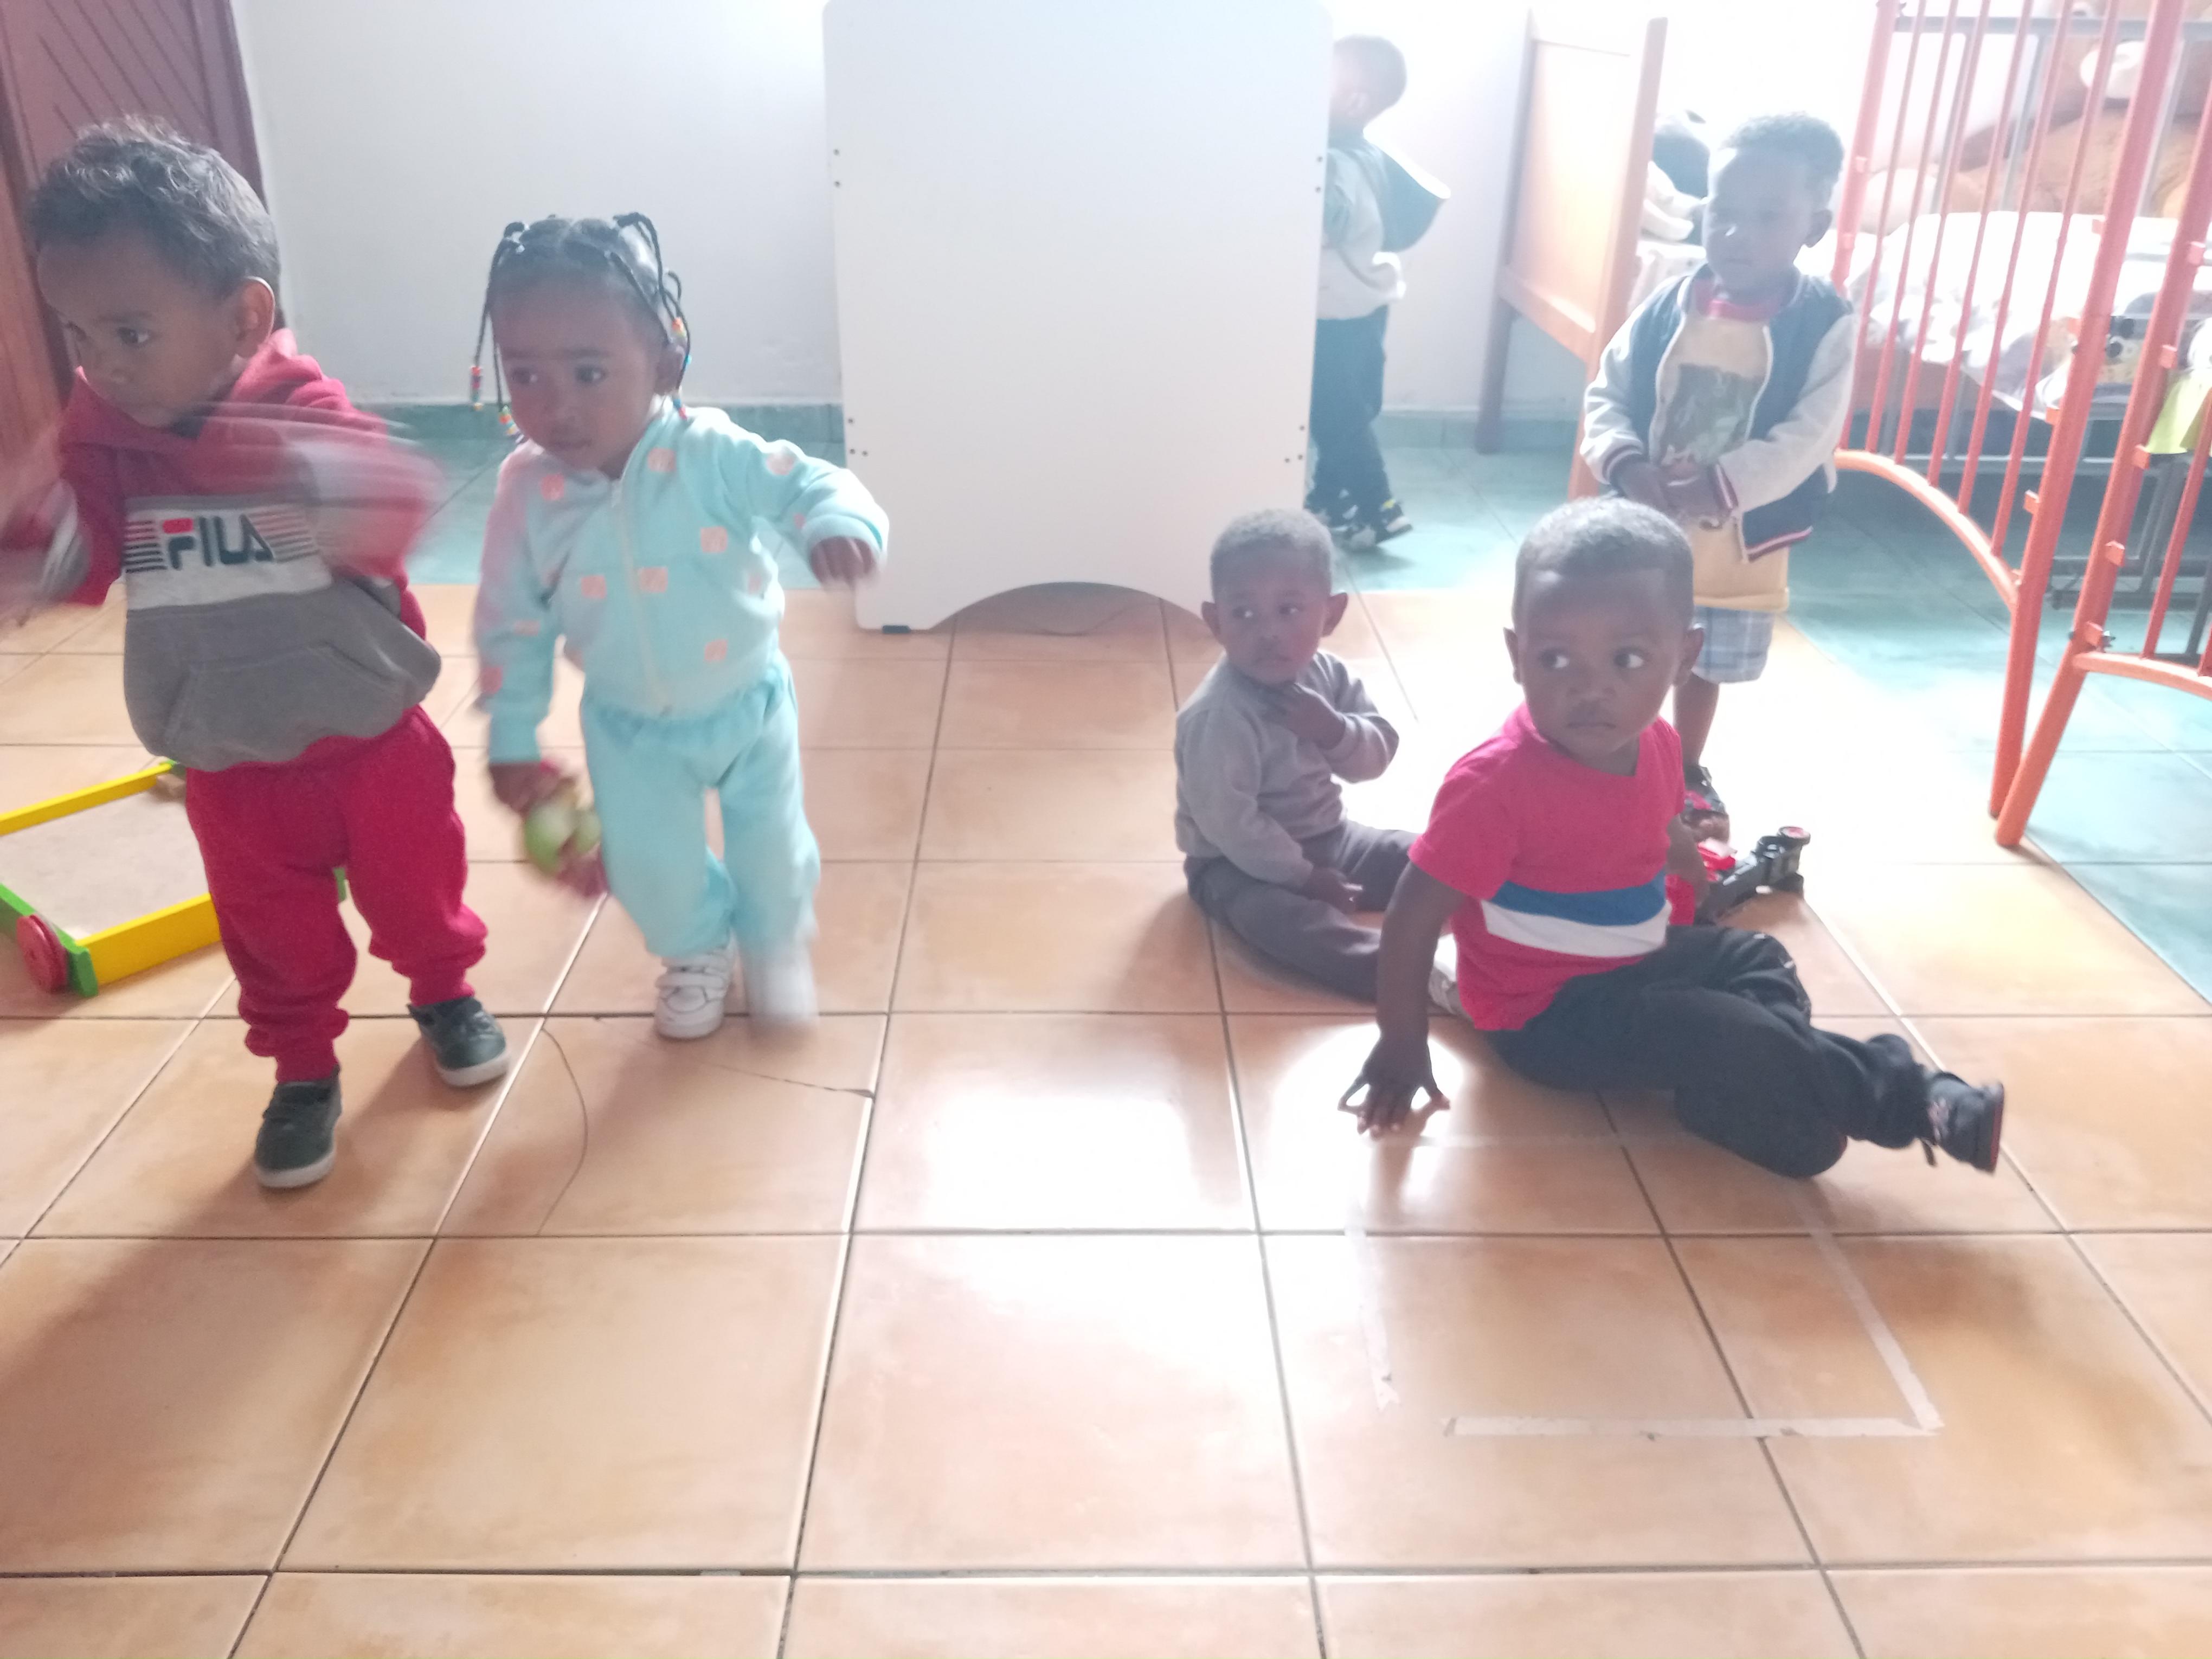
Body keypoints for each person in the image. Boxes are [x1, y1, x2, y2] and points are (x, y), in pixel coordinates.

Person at [0, 120, 505, 1190]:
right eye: (78, 334)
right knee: (272, 933)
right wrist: (31, 548)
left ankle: (444, 991)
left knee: (417, 894)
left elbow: (393, 509)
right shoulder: (104, 442)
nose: (100, 363)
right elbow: (82, 554)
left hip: (371, 737)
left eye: (130, 332)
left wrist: (289, 469)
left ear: (242, 319)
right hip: (227, 757)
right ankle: (303, 1067)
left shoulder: (308, 415)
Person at [1343, 499, 2004, 1181]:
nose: (1590, 688)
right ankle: (1916, 1102)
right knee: (1717, 1027)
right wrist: (1401, 1042)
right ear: (1518, 656)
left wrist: (1700, 886)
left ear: (1685, 656)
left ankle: (1745, 1093)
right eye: (1556, 658)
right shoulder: (1494, 786)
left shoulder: (1658, 742)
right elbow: (1413, 915)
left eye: (1627, 659)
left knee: (1758, 960)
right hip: (1545, 1016)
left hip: (1640, 954)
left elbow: (1664, 828)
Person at [472, 215, 886, 1040]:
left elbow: (811, 483)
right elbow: (510, 622)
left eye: (590, 372)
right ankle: (696, 949)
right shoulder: (527, 493)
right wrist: (512, 735)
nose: (556, 405)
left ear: (665, 363)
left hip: (749, 705)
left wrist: (838, 522)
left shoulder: (711, 453)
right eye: (526, 374)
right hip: (627, 725)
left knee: (771, 847)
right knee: (648, 865)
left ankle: (774, 941)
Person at [1580, 112, 1856, 839]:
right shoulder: (1668, 304)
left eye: (1768, 217)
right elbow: (1608, 394)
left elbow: (1809, 435)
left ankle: (1685, 768)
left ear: (1814, 227)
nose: (1737, 234)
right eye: (1723, 213)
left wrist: (1720, 486)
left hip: (1740, 537)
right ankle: (1613, 757)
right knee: (1631, 642)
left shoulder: (1823, 324)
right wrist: (1626, 464)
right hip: (1647, 525)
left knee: (1701, 662)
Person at [1176, 507, 1441, 1005]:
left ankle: (1519, 910)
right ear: (1216, 622)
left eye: (1289, 610)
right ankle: (1405, 973)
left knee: (1434, 860)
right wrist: (1306, 879)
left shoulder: (1329, 674)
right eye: (1244, 613)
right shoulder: (1219, 715)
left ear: (1331, 615)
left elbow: (1377, 756)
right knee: (1284, 923)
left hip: (1331, 836)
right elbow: (1233, 826)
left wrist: (1334, 730)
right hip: (1234, 867)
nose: (1268, 632)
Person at [1310, 34, 1415, 552]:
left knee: (1337, 418)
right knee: (1347, 410)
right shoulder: (1368, 153)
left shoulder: (1331, 161)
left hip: (1335, 314)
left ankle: (1380, 508)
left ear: (1353, 101)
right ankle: (1329, 499)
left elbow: (1324, 230)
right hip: (1366, 304)